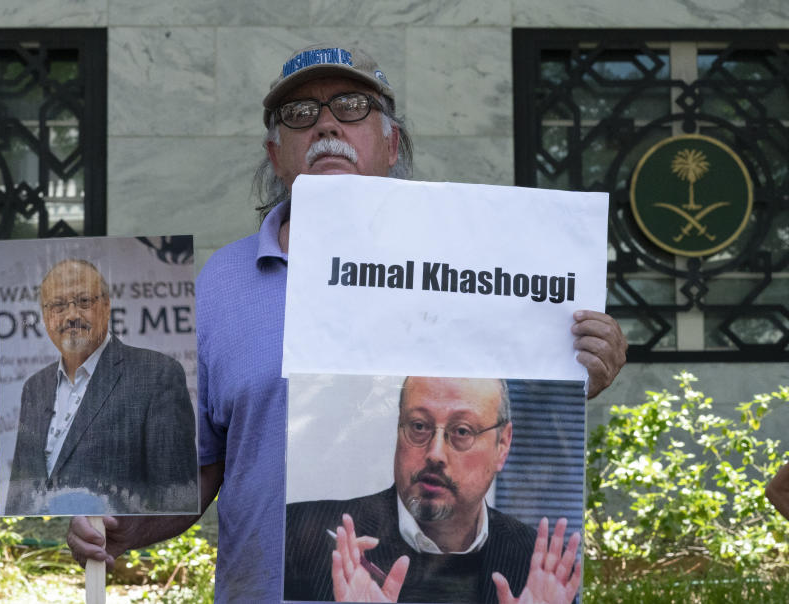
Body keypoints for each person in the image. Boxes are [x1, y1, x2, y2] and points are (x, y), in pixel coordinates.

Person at [67, 43, 627, 602]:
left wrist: (574, 369)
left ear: (391, 144)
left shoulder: (469, 267)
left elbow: (517, 399)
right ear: (275, 153)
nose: (327, 124)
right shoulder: (223, 282)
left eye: (352, 106)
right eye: (300, 114)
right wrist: (122, 525)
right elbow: (203, 466)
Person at [285, 377, 580, 603]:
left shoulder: (539, 567)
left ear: (502, 445)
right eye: (419, 426)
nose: (435, 453)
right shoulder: (298, 534)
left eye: (462, 431)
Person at [5, 258, 197, 516]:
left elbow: (177, 498)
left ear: (107, 306)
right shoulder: (35, 386)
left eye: (84, 302)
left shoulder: (157, 374)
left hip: (119, 547)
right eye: (58, 306)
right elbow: (20, 493)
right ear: (45, 316)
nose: (71, 315)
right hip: (42, 551)